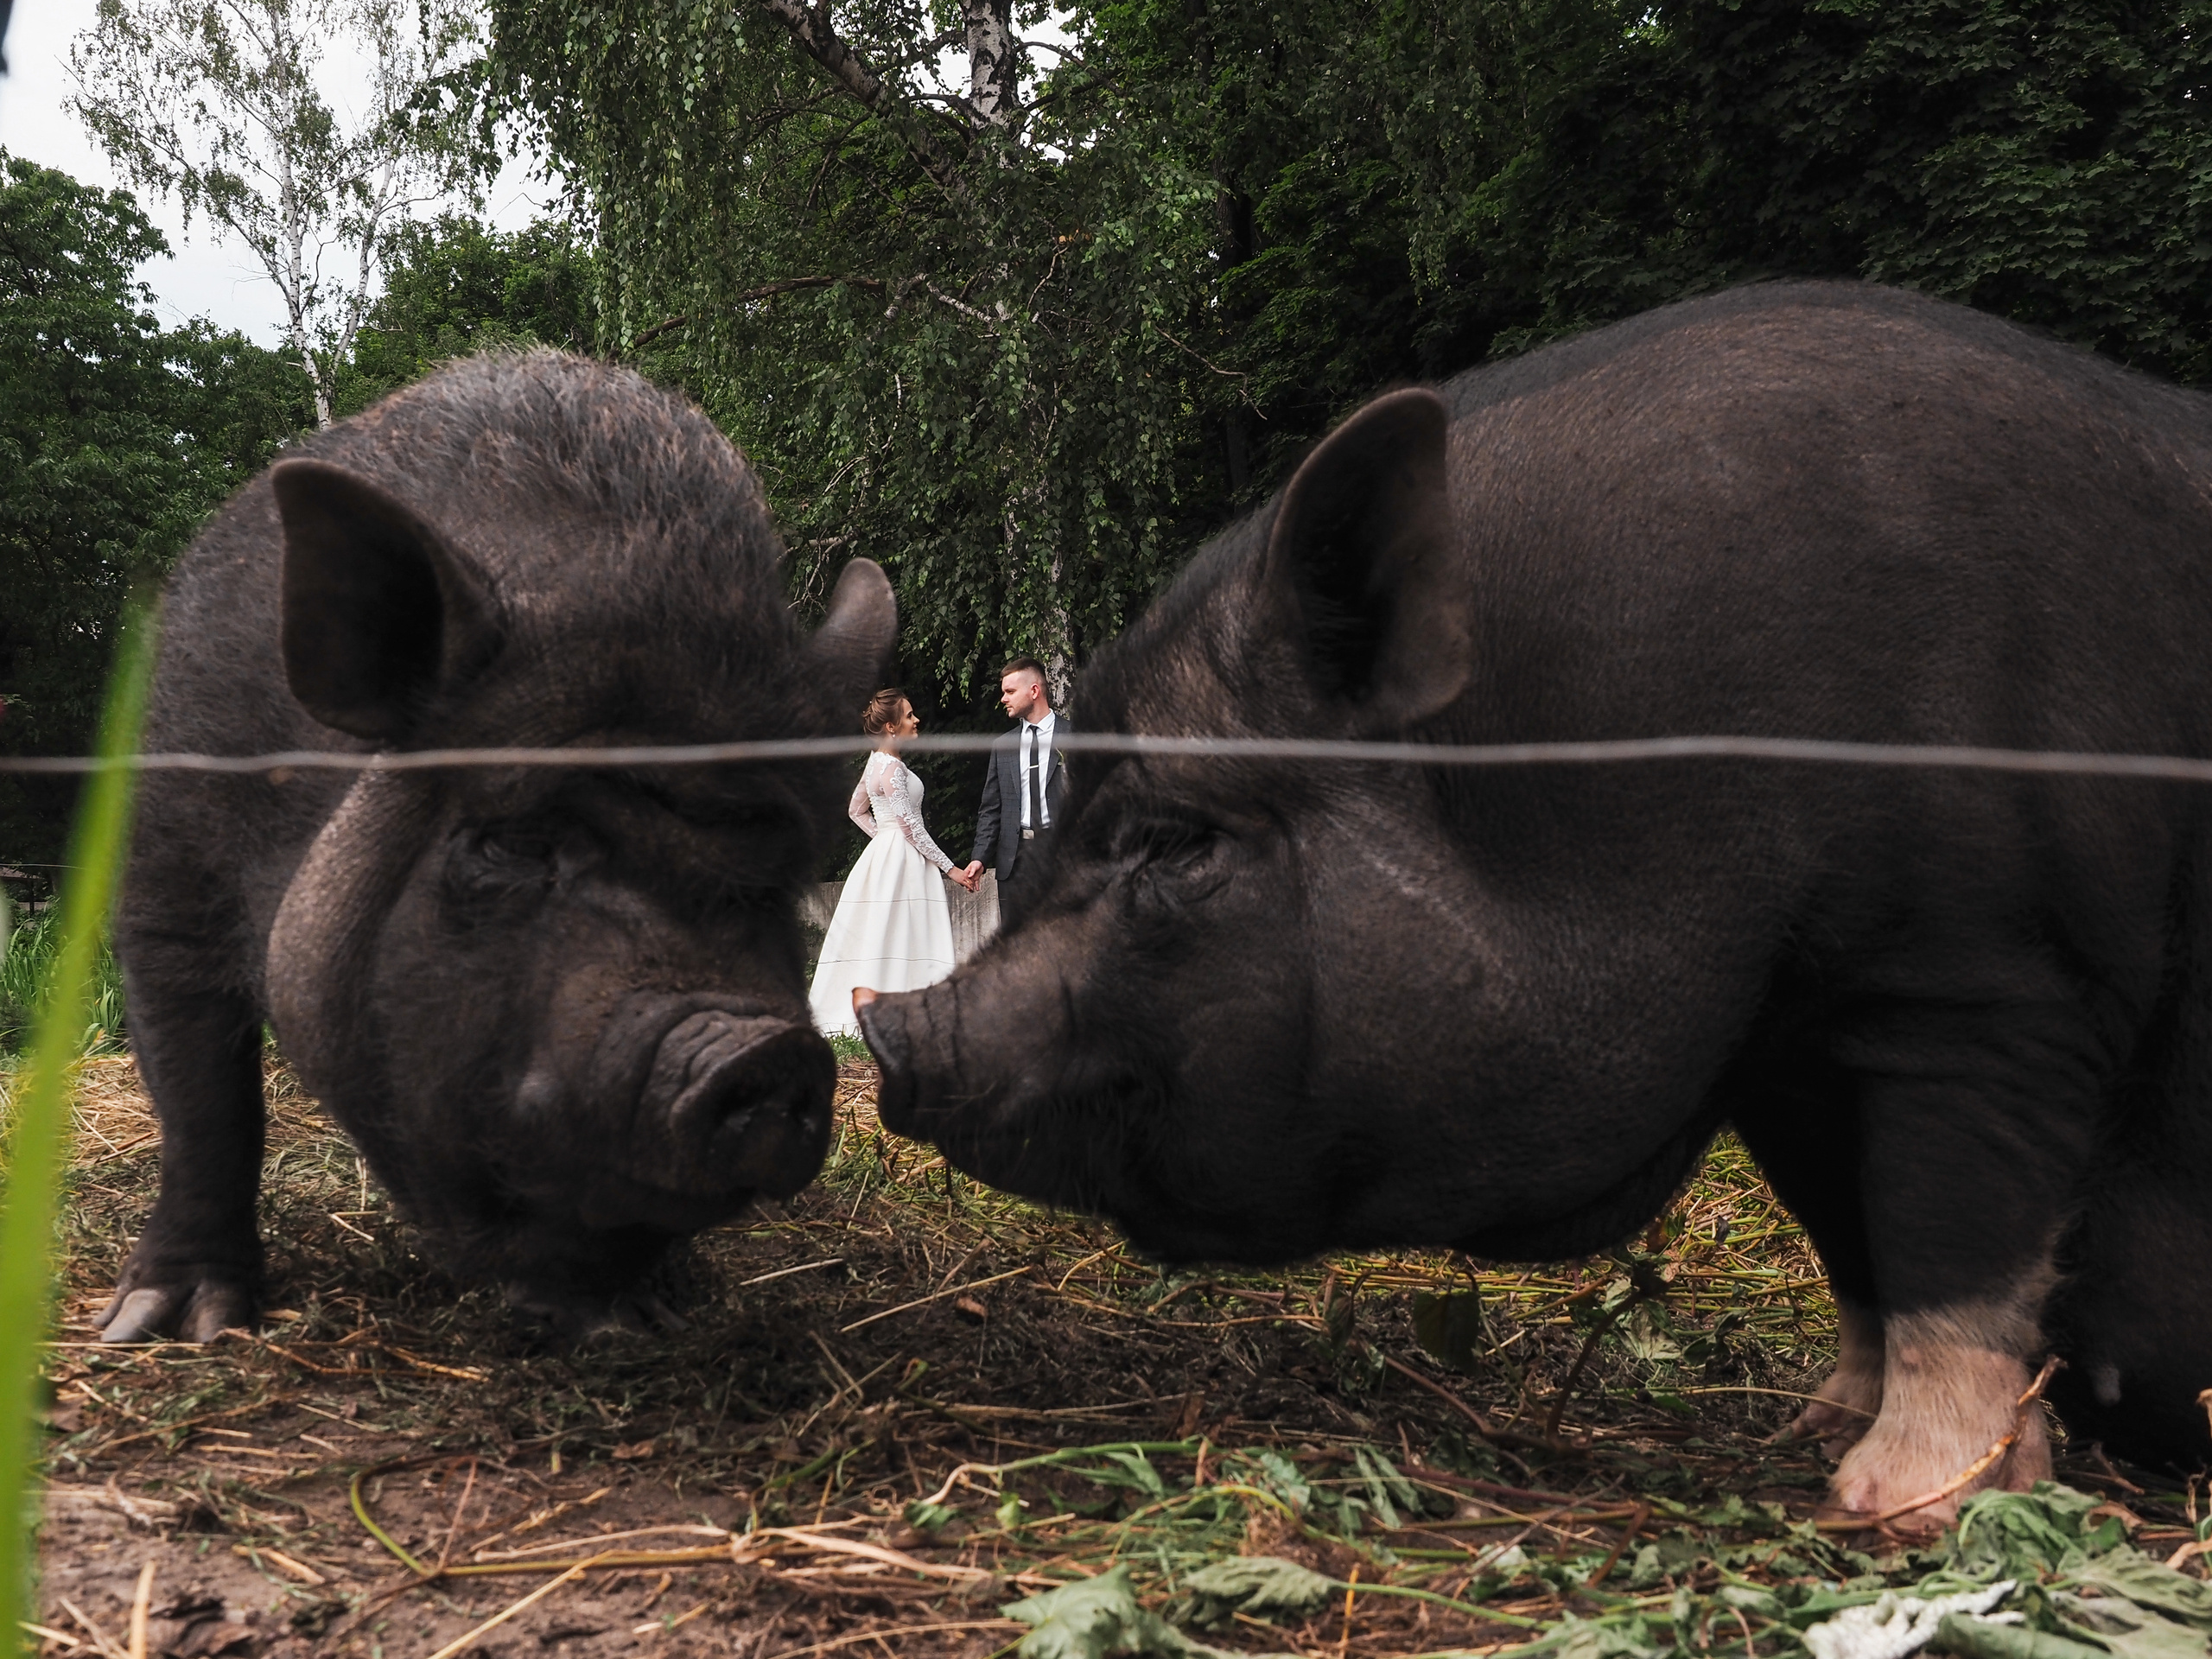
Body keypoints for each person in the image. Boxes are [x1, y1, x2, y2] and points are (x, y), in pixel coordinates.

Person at [810, 690, 978, 1036]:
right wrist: (952, 869)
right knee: (905, 927)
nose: (916, 720)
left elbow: (856, 811)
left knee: (887, 930)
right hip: (902, 857)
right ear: (891, 725)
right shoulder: (893, 767)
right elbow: (912, 827)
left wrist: (882, 839)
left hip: (886, 853)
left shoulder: (875, 762)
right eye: (910, 715)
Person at [963, 657, 1069, 931]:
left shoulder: (1076, 736)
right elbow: (991, 809)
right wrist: (979, 857)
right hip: (1015, 861)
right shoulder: (1003, 745)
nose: (1003, 699)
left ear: (1034, 691)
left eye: (1010, 692)